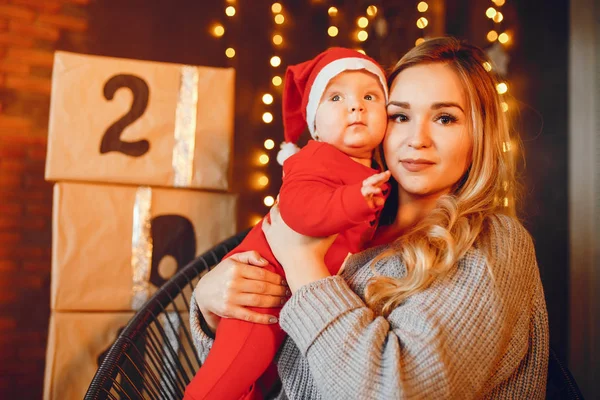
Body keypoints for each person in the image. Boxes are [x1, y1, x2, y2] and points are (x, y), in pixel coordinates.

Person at [190, 37, 550, 399]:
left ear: (478, 134)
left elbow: (394, 391)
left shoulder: (492, 242)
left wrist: (301, 262)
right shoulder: (354, 223)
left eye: (444, 118)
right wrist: (212, 306)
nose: (417, 139)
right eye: (400, 116)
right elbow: (279, 379)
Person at [184, 47, 392, 400]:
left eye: (370, 96)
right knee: (226, 379)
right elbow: (298, 211)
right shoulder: (316, 158)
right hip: (263, 289)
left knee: (258, 383)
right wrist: (354, 200)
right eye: (337, 97)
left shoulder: (376, 175)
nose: (356, 106)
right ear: (315, 124)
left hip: (296, 302)